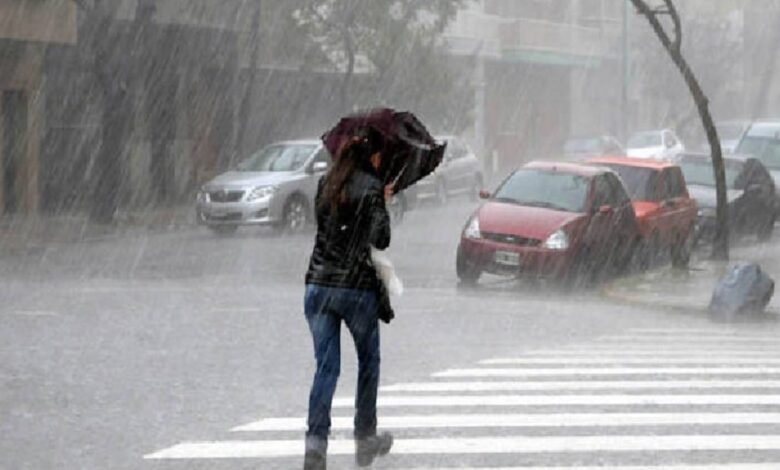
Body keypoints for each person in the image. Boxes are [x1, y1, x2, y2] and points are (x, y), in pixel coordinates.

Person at [303, 127, 394, 470]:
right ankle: (364, 437)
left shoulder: (325, 184)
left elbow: (327, 229)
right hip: (356, 289)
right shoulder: (371, 188)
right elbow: (380, 238)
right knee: (368, 363)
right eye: (380, 156)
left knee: (326, 368)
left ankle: (315, 445)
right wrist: (382, 204)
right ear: (372, 156)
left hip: (318, 286)